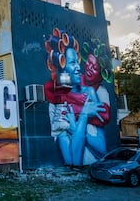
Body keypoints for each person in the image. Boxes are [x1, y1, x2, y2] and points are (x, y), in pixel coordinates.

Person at [44, 29, 108, 166]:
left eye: (77, 62)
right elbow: (73, 161)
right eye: (72, 63)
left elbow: (102, 149)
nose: (78, 67)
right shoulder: (56, 104)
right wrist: (84, 115)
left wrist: (74, 129)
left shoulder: (90, 93)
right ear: (62, 69)